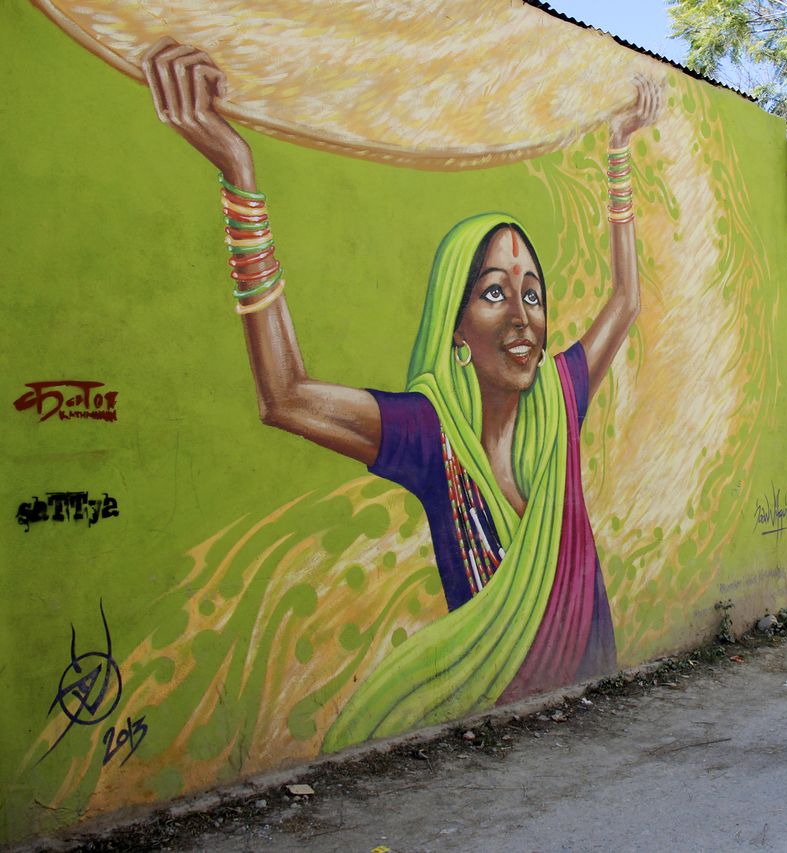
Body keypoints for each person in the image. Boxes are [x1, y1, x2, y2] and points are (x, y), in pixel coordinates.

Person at [139, 38, 661, 744]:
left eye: (533, 294)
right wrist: (239, 172)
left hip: (601, 724)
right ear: (455, 327)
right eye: (494, 292)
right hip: (495, 746)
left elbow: (626, 298)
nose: (522, 316)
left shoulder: (562, 396)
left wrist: (621, 151)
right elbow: (285, 395)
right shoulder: (428, 435)